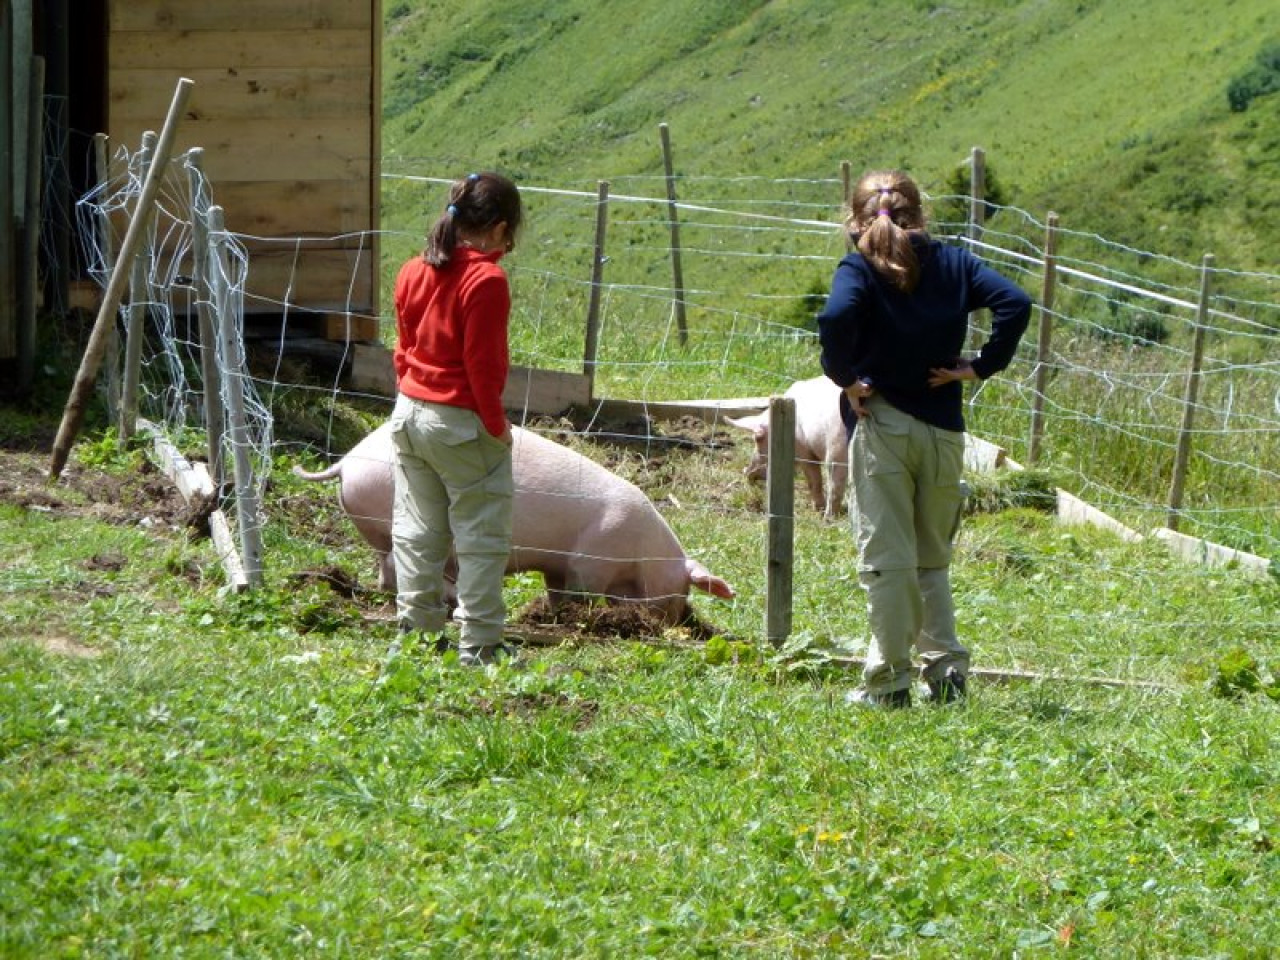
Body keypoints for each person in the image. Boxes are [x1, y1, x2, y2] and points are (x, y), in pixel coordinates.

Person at [817, 169, 1032, 707]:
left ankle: (889, 685)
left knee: (887, 560)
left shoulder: (859, 268)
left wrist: (846, 378)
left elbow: (835, 317)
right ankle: (947, 674)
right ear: (922, 215)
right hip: (943, 431)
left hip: (881, 426)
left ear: (855, 221)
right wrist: (981, 367)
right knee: (931, 559)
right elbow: (1016, 303)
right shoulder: (955, 263)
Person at [390, 171, 524, 667]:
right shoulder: (486, 280)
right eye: (509, 237)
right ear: (499, 228)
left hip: (408, 413)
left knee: (417, 531)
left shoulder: (411, 270)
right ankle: (480, 645)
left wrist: (410, 390)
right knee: (480, 535)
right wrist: (496, 426)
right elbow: (482, 366)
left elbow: (403, 348)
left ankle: (418, 635)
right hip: (460, 420)